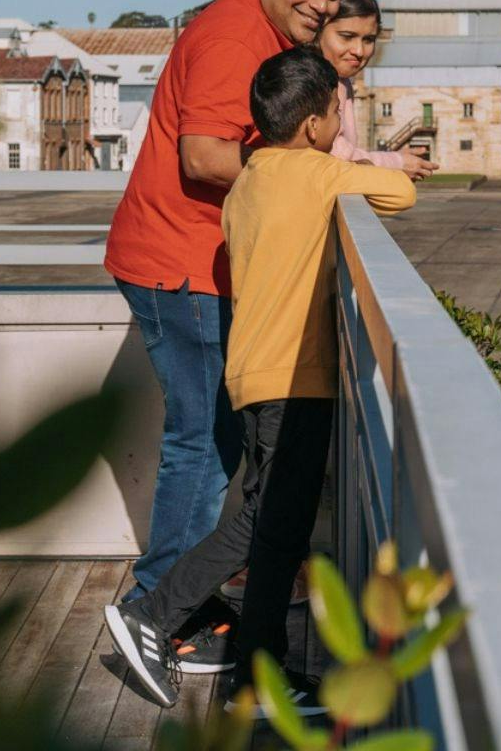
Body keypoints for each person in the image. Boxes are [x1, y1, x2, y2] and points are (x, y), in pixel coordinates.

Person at [105, 47, 416, 713]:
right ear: (312, 124)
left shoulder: (250, 180)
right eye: (339, 109)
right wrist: (353, 162)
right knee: (267, 523)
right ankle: (152, 613)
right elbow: (404, 192)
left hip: (253, 374)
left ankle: (260, 679)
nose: (342, 120)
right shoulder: (315, 173)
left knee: (279, 532)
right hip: (295, 376)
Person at [102, 0, 348, 647]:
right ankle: (156, 609)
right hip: (181, 264)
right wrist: (298, 185)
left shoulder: (268, 35)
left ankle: (183, 599)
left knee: (215, 444)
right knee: (204, 447)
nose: (321, 4)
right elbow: (205, 157)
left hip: (198, 262)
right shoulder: (233, 38)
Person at [317, 0, 436, 179]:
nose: (359, 51)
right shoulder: (312, 81)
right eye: (346, 36)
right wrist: (395, 163)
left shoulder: (342, 81)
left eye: (369, 40)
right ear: (319, 30)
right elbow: (336, 155)